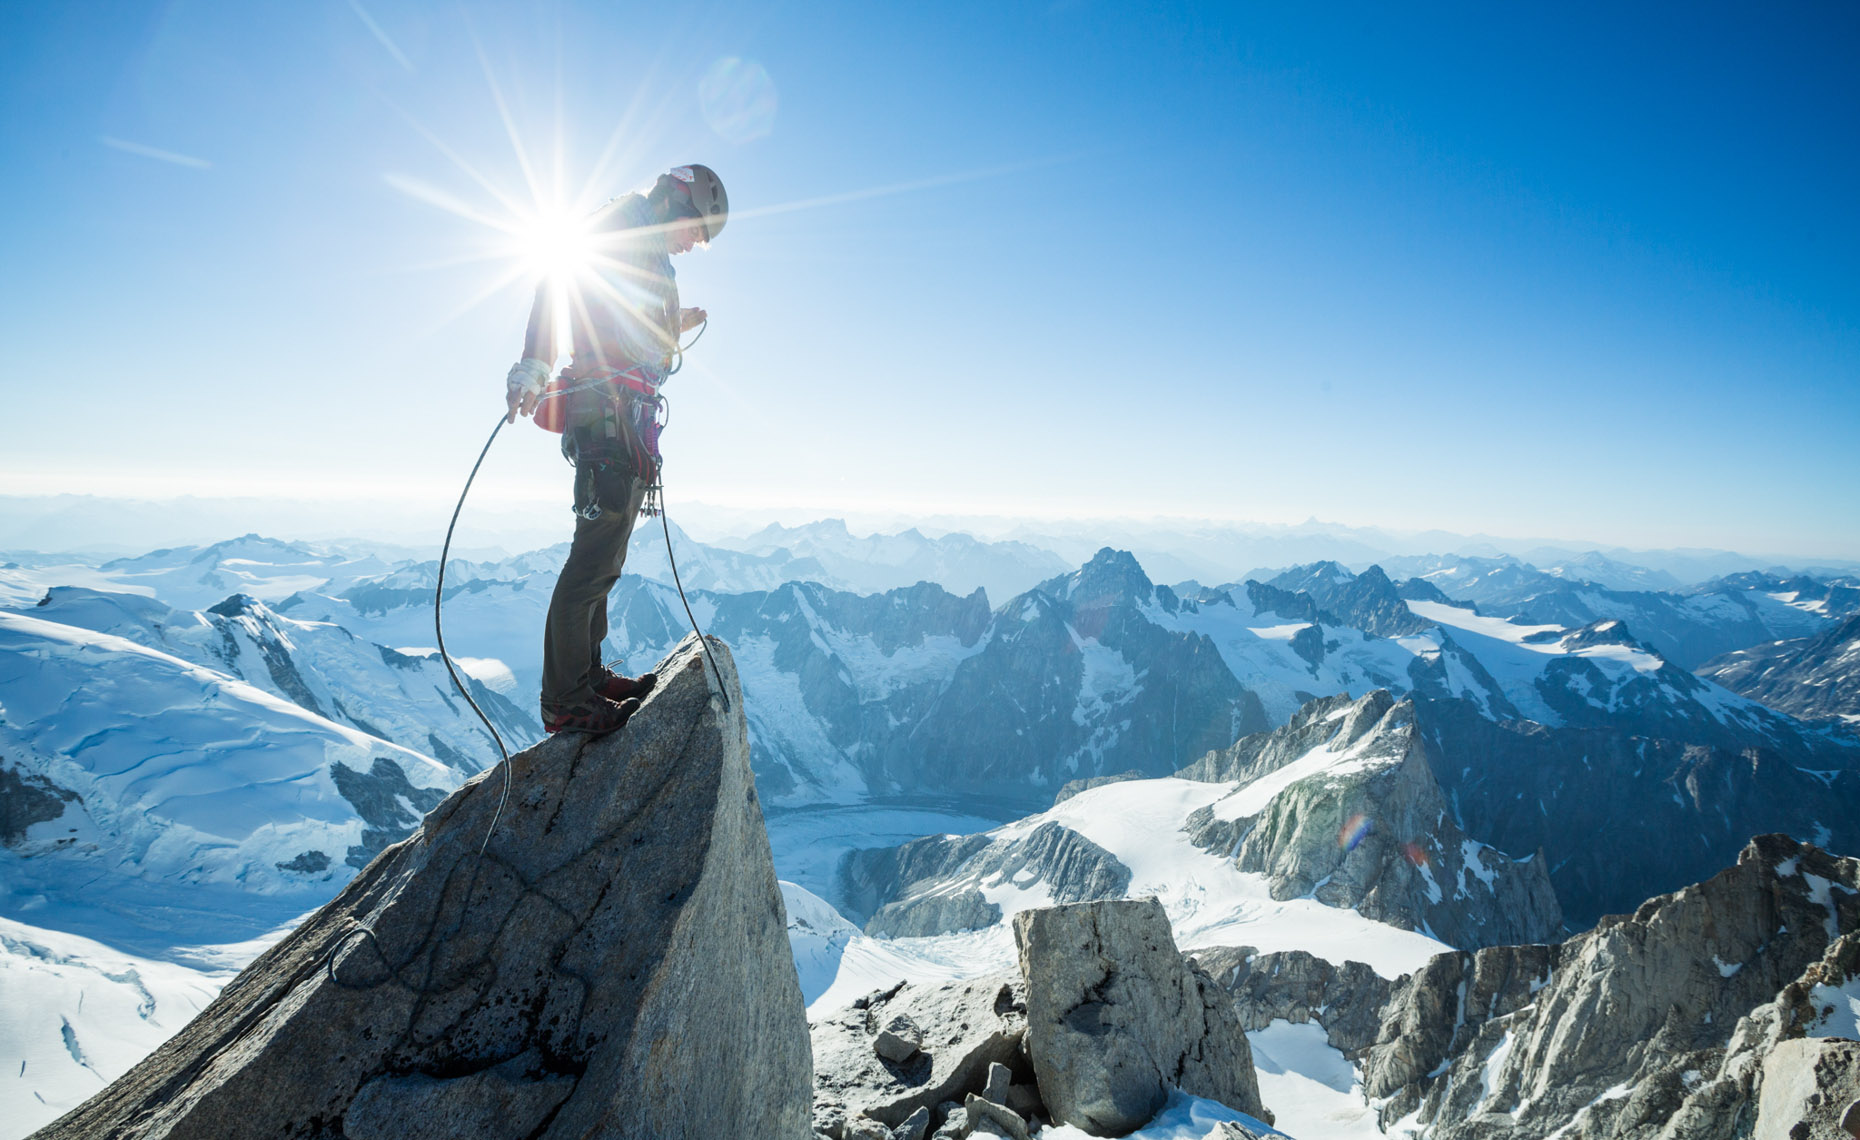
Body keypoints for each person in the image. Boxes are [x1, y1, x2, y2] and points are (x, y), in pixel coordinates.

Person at [503, 164, 728, 734]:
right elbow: (559, 282)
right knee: (593, 557)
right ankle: (565, 698)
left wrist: (675, 320)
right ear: (680, 202)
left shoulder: (649, 248)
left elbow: (624, 319)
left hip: (624, 420)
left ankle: (588, 673)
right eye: (696, 231)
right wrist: (534, 363)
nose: (693, 244)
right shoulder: (620, 225)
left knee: (607, 556)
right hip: (605, 414)